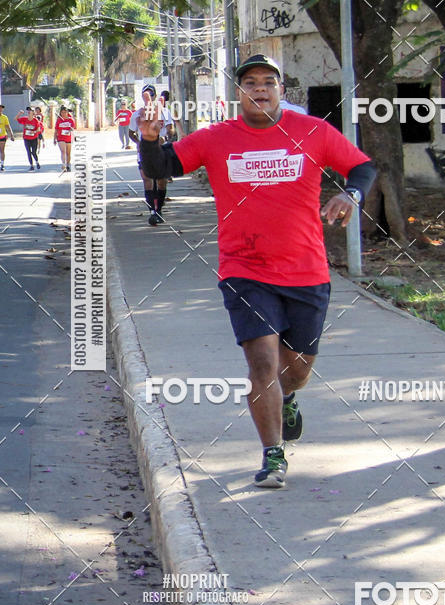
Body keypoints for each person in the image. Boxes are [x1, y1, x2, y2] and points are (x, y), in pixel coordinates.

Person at [138, 53, 376, 488]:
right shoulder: (217, 137)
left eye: (268, 81)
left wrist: (352, 195)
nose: (260, 88)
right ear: (239, 93)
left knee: (296, 370)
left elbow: (362, 166)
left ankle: (289, 398)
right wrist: (150, 140)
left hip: (306, 270)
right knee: (262, 363)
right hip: (244, 269)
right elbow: (162, 168)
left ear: (281, 90)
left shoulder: (313, 131)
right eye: (250, 82)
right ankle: (273, 455)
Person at [129, 84, 174, 225]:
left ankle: (159, 210)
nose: (148, 97)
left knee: (161, 182)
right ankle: (152, 212)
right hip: (145, 151)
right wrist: (138, 142)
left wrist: (165, 138)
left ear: (155, 96)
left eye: (151, 94)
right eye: (145, 95)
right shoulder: (137, 114)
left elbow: (171, 130)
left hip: (161, 151)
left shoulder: (164, 112)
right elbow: (131, 133)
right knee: (147, 181)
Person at [16, 106, 42, 170]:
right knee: (28, 152)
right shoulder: (25, 119)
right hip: (26, 138)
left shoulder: (35, 120)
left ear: (33, 112)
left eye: (30, 110)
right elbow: (16, 119)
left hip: (34, 138)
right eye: (28, 110)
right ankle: (31, 165)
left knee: (33, 152)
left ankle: (37, 162)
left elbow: (38, 129)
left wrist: (34, 132)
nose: (29, 111)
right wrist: (19, 113)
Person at [54, 105, 76, 171]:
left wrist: (70, 130)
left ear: (67, 112)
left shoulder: (71, 120)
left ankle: (68, 165)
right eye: (62, 112)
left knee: (68, 153)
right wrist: (54, 138)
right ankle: (63, 164)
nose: (63, 114)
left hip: (68, 138)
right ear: (60, 113)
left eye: (65, 112)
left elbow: (73, 129)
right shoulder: (59, 120)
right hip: (60, 138)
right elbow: (56, 130)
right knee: (63, 151)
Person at [0, 104, 15, 171]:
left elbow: (8, 126)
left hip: (2, 136)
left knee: (2, 150)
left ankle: (2, 164)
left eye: (1, 108)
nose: (0, 109)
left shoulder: (4, 117)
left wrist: (11, 135)